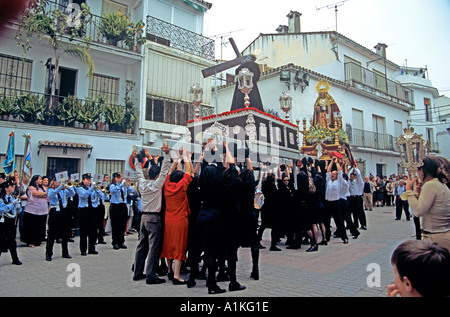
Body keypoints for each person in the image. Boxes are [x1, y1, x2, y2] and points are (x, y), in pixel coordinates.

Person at [132, 144, 171, 285]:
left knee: (142, 246)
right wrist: (167, 155)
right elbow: (165, 171)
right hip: (154, 218)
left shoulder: (142, 183)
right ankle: (151, 275)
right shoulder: (156, 185)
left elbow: (138, 172)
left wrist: (137, 160)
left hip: (143, 217)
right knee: (154, 247)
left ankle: (137, 272)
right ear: (156, 177)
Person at [402, 155, 450, 251]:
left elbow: (418, 211)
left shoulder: (431, 184)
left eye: (417, 170)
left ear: (422, 171)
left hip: (435, 237)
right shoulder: (440, 183)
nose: (417, 174)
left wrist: (408, 190)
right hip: (442, 234)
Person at [160, 147, 193, 285]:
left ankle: (169, 270)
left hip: (168, 219)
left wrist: (176, 160)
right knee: (179, 246)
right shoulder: (182, 186)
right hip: (180, 220)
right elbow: (189, 172)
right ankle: (177, 275)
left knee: (168, 244)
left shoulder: (166, 185)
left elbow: (168, 173)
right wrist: (185, 156)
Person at [45, 179, 75, 261]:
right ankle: (49, 254)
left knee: (65, 232)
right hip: (54, 211)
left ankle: (65, 252)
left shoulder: (64, 191)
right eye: (57, 182)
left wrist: (69, 186)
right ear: (53, 182)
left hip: (63, 211)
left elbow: (73, 193)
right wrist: (59, 188)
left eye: (60, 182)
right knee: (52, 233)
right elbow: (50, 195)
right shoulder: (50, 190)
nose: (59, 183)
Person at [325, 157, 348, 244]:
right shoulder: (329, 181)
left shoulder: (339, 181)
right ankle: (326, 237)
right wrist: (331, 162)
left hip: (336, 203)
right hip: (328, 203)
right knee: (326, 221)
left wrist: (336, 163)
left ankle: (344, 237)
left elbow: (340, 171)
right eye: (332, 174)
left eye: (334, 174)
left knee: (339, 221)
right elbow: (328, 171)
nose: (332, 175)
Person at [20, 175, 48, 247]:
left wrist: (46, 193)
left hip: (42, 211)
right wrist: (48, 193)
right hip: (32, 210)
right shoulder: (31, 188)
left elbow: (45, 195)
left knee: (40, 226)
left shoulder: (42, 188)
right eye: (40, 179)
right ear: (35, 180)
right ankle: (30, 241)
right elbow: (37, 194)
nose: (41, 180)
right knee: (32, 227)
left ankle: (38, 240)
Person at [0, 178, 22, 265]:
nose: (13, 187)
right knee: (1, 241)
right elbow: (4, 209)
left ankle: (15, 259)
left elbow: (18, 212)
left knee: (12, 241)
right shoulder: (1, 199)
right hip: (3, 222)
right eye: (11, 186)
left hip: (12, 222)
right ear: (6, 188)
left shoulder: (12, 198)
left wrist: (18, 207)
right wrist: (13, 204)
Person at [76, 173, 98, 256]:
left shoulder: (91, 189)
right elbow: (84, 196)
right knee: (84, 231)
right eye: (87, 179)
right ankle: (83, 249)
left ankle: (92, 248)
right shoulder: (80, 188)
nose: (89, 181)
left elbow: (98, 197)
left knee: (92, 230)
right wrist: (92, 189)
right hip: (83, 210)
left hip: (91, 209)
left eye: (90, 179)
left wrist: (97, 190)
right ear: (83, 180)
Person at [109, 172, 131, 250]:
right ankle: (115, 242)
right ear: (115, 178)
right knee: (115, 225)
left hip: (123, 205)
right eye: (119, 177)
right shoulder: (112, 186)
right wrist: (121, 184)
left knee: (122, 224)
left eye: (121, 177)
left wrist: (128, 184)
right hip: (115, 206)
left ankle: (121, 241)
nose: (121, 179)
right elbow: (113, 191)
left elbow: (131, 190)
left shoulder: (123, 186)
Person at [348, 165, 367, 230]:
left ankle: (363, 224)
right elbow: (347, 175)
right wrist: (350, 169)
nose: (351, 178)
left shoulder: (359, 182)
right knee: (354, 212)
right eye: (351, 177)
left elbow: (359, 174)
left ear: (355, 177)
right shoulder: (349, 182)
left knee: (360, 212)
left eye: (353, 177)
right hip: (352, 198)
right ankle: (355, 224)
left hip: (358, 197)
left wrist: (355, 168)